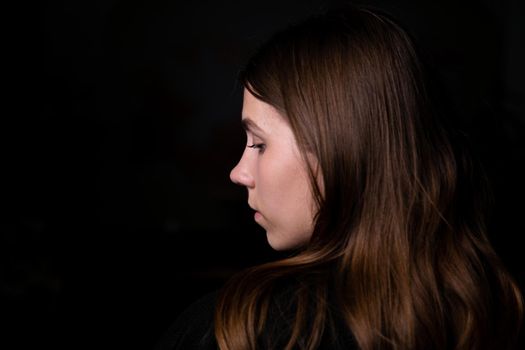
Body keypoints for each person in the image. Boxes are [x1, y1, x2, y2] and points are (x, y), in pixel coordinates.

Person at [156, 5, 523, 350]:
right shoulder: (483, 308)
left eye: (259, 143)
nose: (239, 173)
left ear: (337, 149)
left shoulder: (236, 329)